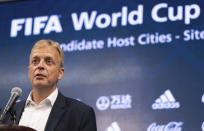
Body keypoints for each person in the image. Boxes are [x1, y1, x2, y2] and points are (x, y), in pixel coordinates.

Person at [2, 39, 97, 131]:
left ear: (60, 73)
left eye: (48, 61)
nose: (40, 66)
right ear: (29, 70)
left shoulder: (80, 114)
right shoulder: (5, 114)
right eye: (35, 61)